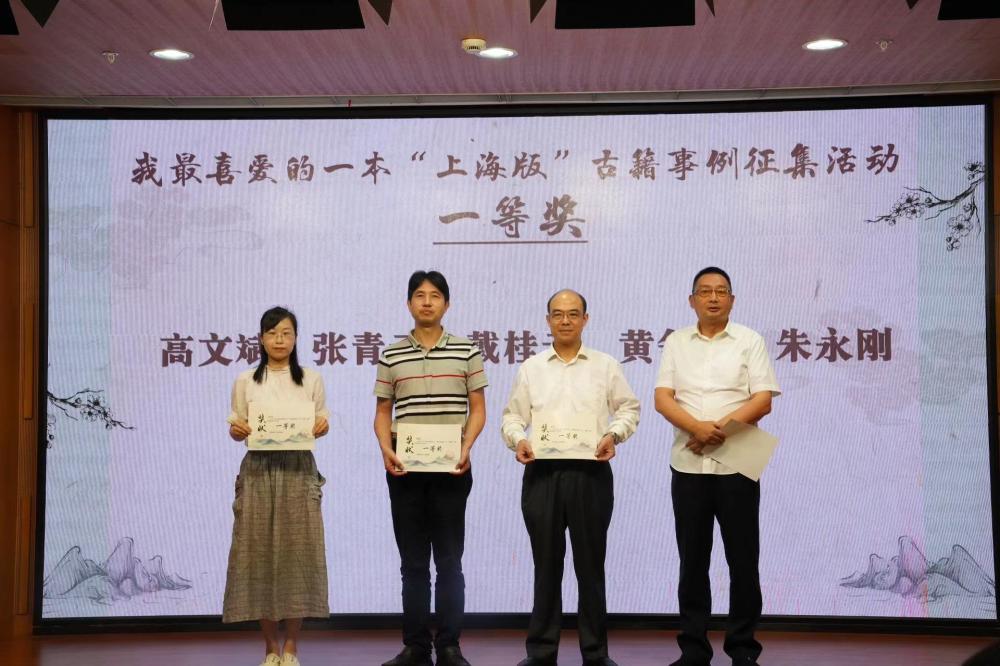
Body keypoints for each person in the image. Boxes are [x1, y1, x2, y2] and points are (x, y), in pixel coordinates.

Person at [501, 289, 640, 666]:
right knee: (546, 566)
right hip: (542, 474)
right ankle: (541, 652)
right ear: (547, 320)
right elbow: (512, 416)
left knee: (590, 567)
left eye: (573, 314)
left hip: (590, 474)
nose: (565, 320)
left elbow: (628, 408)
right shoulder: (532, 367)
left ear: (585, 319)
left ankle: (595, 653)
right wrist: (519, 440)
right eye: (558, 314)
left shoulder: (606, 365)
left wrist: (614, 435)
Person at [654, 267, 780, 666]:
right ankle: (694, 649)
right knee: (692, 561)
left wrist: (718, 430)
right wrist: (696, 428)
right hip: (688, 464)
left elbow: (763, 399)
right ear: (691, 300)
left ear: (732, 299)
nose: (713, 298)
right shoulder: (676, 341)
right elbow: (663, 398)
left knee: (743, 560)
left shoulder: (749, 340)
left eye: (721, 291)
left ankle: (743, 649)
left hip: (738, 463)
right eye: (705, 292)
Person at [374, 270, 488, 666]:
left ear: (447, 304)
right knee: (413, 564)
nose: (427, 302)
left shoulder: (466, 350)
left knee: (450, 562)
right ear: (409, 304)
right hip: (404, 472)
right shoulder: (391, 354)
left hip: (452, 471)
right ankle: (416, 646)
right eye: (419, 295)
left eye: (435, 295)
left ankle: (450, 645)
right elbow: (382, 412)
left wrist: (467, 445)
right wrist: (385, 449)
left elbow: (478, 409)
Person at [223, 306, 331, 666]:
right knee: (258, 555)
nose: (279, 340)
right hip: (258, 471)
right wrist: (237, 430)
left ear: (296, 337)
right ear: (261, 338)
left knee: (298, 555)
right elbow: (237, 428)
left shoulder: (311, 379)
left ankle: (292, 647)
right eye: (272, 333)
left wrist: (321, 427)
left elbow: (322, 420)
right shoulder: (246, 380)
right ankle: (270, 647)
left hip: (299, 471)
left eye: (286, 333)